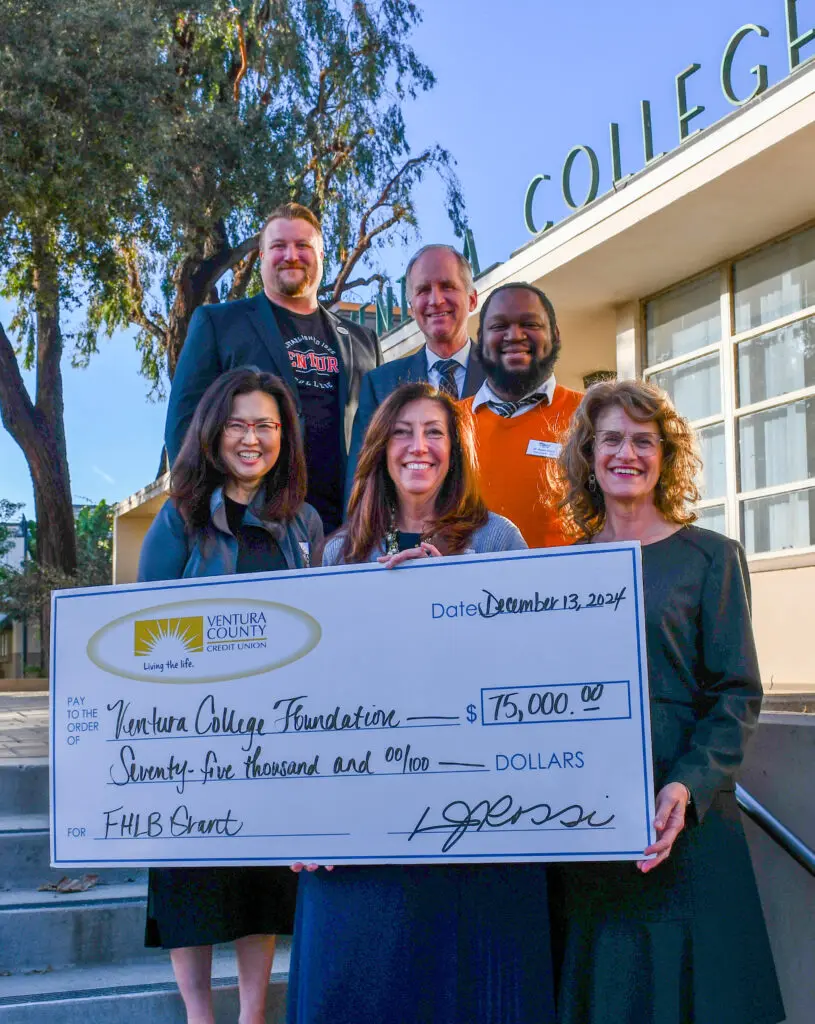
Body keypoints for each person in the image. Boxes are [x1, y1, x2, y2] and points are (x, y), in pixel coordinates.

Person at [285, 382, 557, 1024]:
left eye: (435, 431)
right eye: (403, 431)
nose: (419, 446)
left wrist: (450, 600)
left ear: (454, 448)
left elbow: (528, 665)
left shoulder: (496, 539)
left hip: (473, 811)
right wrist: (298, 811)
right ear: (380, 448)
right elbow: (313, 689)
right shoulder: (337, 550)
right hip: (366, 816)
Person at [551, 379, 784, 1024]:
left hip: (688, 815)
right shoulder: (559, 571)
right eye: (612, 440)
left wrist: (686, 786)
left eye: (643, 441)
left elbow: (736, 693)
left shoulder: (712, 557)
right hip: (593, 823)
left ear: (665, 456)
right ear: (588, 457)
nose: (627, 453)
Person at [140, 367, 323, 1024]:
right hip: (191, 739)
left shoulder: (301, 522)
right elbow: (144, 633)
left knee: (258, 882)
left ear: (284, 437)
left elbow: (323, 624)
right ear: (214, 433)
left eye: (267, 426)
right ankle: (199, 1015)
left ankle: (250, 1014)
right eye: (240, 424)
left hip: (275, 738)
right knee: (190, 879)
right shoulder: (178, 518)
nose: (253, 438)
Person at [165, 202, 382, 535]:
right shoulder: (219, 323)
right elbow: (183, 423)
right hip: (251, 523)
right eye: (278, 246)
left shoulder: (363, 340)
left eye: (303, 246)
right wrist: (207, 511)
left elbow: (378, 434)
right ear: (263, 257)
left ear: (321, 256)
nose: (290, 255)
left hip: (346, 528)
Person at [346, 244, 485, 495]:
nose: (436, 300)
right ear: (411, 308)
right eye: (423, 290)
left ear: (472, 299)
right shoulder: (380, 386)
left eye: (447, 286)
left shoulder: (503, 377)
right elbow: (362, 482)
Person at [460, 282, 582, 549]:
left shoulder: (591, 416)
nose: (514, 335)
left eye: (530, 324)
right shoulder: (446, 423)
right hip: (468, 586)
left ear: (556, 335)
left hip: (567, 587)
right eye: (499, 326)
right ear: (480, 338)